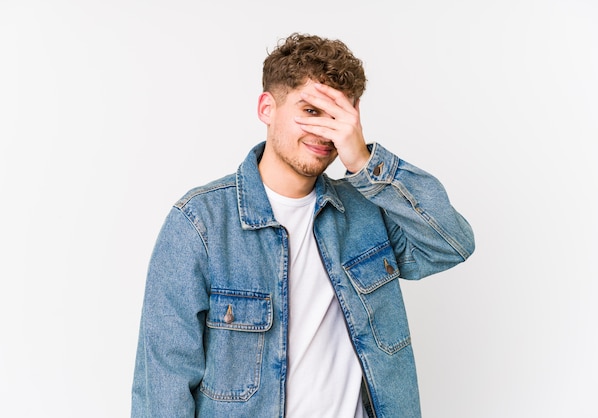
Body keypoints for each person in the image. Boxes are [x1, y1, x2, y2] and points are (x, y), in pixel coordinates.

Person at [131, 33, 475, 418]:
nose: (325, 131)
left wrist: (363, 162)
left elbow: (450, 244)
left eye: (338, 116)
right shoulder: (200, 223)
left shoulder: (366, 210)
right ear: (267, 108)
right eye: (311, 111)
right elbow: (163, 383)